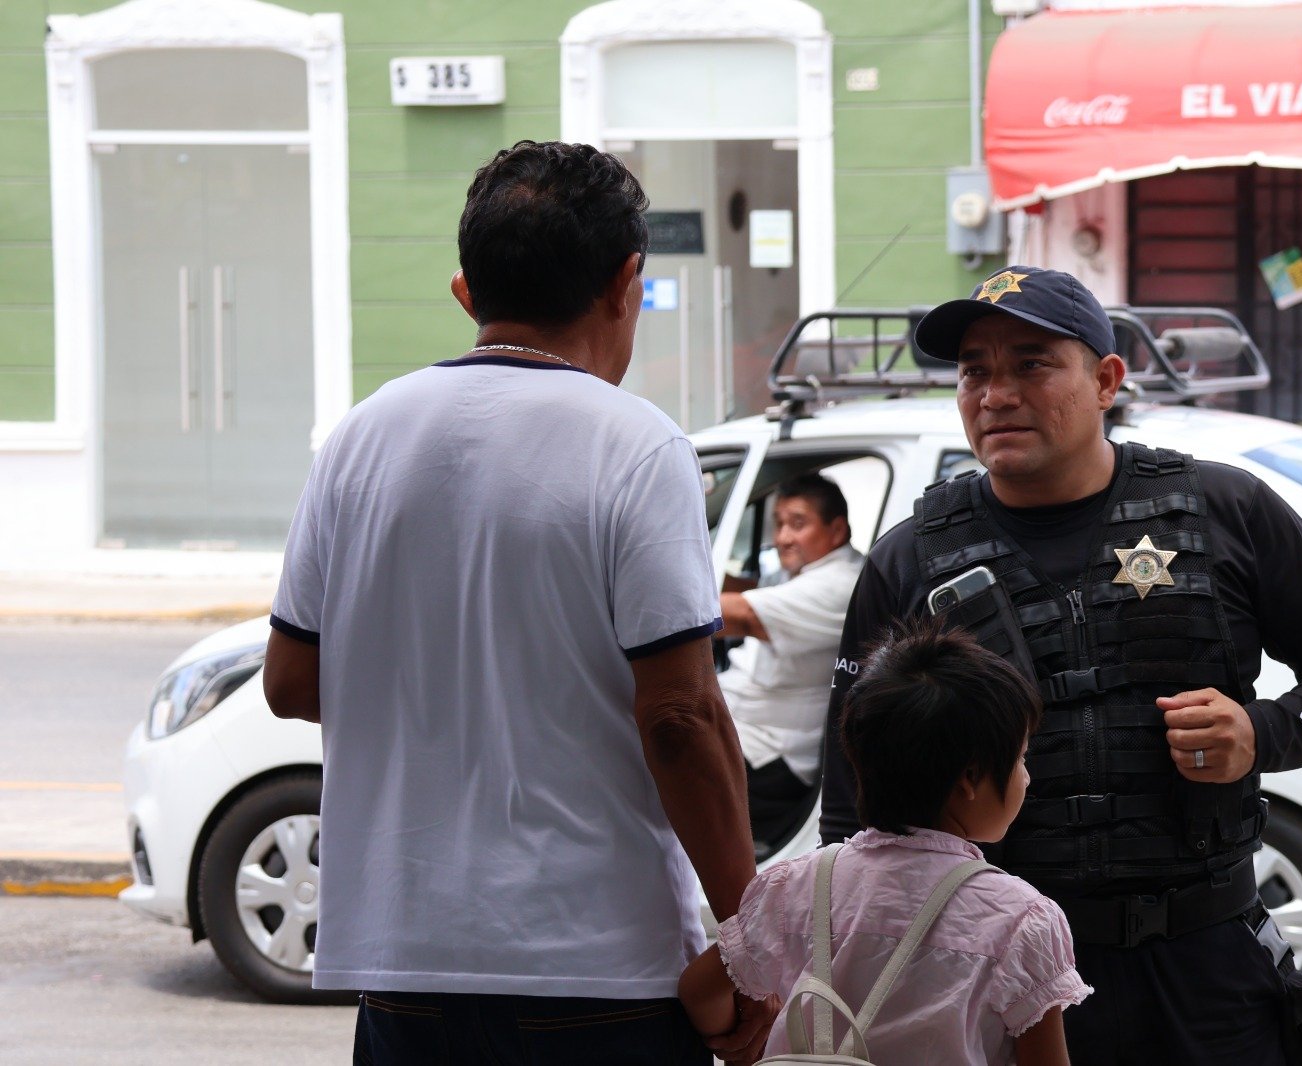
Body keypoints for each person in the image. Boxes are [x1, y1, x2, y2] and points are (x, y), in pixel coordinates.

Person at [262, 141, 774, 1066]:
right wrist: (750, 938)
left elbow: (291, 681)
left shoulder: (359, 439)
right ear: (627, 283)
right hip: (594, 973)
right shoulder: (637, 446)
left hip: (401, 966)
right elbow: (680, 716)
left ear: (467, 292)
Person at [819, 265, 1302, 1064]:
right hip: (999, 974)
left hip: (1210, 970)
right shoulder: (909, 561)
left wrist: (1262, 732)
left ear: (1105, 379)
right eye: (974, 371)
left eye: (1031, 364)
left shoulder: (1225, 509)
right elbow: (854, 810)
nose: (996, 394)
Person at [680, 624, 1090, 1065]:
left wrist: (743, 1043)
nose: (1026, 777)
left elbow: (698, 992)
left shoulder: (796, 886)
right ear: (969, 779)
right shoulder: (1021, 919)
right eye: (1020, 758)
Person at [717, 474, 864, 846]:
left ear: (836, 529)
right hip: (744, 735)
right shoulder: (803, 572)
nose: (782, 538)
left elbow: (738, 614)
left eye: (798, 524)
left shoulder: (838, 582)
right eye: (779, 524)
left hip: (769, 758)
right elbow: (749, 589)